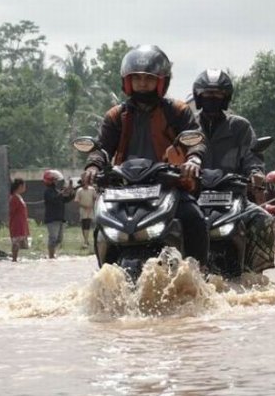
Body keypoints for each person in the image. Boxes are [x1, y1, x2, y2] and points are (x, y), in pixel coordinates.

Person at [81, 45, 209, 266]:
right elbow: (101, 148)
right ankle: (105, 274)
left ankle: (199, 278)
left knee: (194, 218)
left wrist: (194, 159)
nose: (142, 83)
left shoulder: (177, 111)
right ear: (127, 81)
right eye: (137, 78)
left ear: (161, 81)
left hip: (169, 185)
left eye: (149, 78)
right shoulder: (115, 115)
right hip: (123, 188)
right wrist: (93, 166)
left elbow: (196, 140)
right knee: (101, 225)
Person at [192, 68, 275, 273]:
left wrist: (256, 174)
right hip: (193, 195)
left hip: (233, 195)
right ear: (199, 97)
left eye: (217, 95)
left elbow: (252, 156)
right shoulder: (187, 124)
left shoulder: (240, 127)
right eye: (208, 95)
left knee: (262, 220)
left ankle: (255, 275)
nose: (212, 99)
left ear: (226, 98)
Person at [43, 169, 75, 259]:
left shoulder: (56, 191)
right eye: (55, 180)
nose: (57, 182)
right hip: (52, 219)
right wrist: (63, 192)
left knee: (59, 239)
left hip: (59, 218)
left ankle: (52, 254)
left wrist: (71, 192)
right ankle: (51, 256)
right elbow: (54, 199)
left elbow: (65, 200)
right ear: (51, 181)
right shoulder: (48, 191)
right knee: (53, 238)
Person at [8, 178, 30, 262]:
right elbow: (11, 212)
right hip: (16, 224)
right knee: (16, 242)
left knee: (19, 241)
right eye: (24, 185)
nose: (25, 187)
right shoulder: (14, 198)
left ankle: (15, 258)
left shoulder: (18, 197)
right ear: (20, 186)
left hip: (21, 223)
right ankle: (14, 259)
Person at [74, 177, 96, 248]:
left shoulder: (92, 189)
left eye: (85, 183)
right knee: (84, 224)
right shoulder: (79, 191)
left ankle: (86, 241)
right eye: (83, 184)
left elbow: (95, 198)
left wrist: (92, 205)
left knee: (88, 223)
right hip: (83, 209)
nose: (85, 185)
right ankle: (85, 240)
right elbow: (77, 201)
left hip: (90, 209)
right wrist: (84, 206)